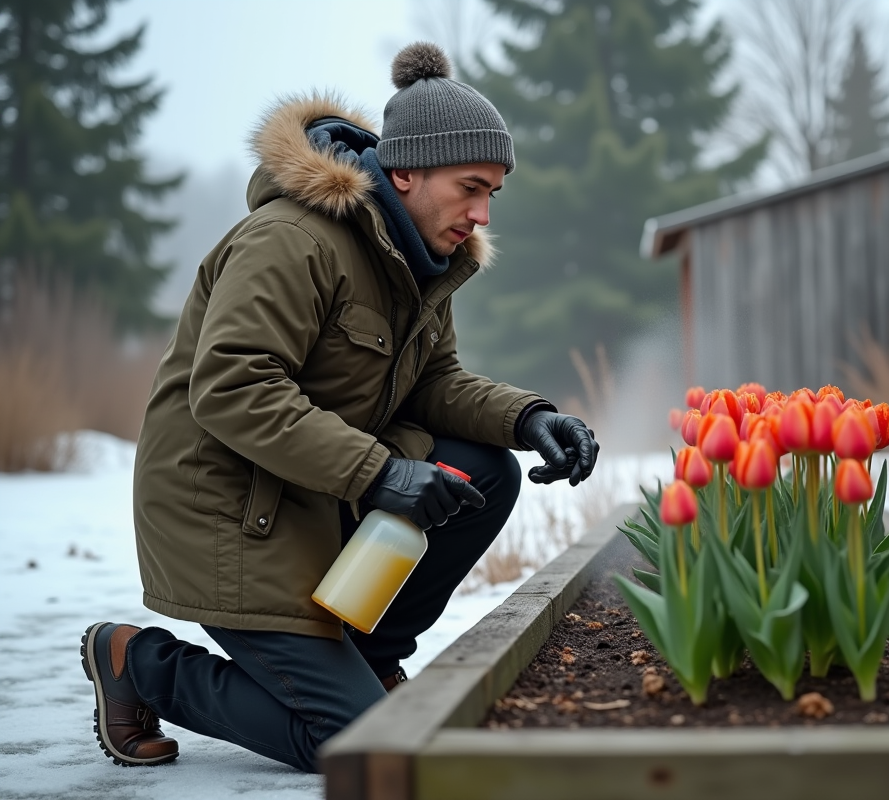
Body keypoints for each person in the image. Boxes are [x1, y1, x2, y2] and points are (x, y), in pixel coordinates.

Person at [79, 42, 599, 774]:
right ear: (406, 171)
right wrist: (380, 473)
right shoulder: (292, 240)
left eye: (494, 194)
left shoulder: (420, 259)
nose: (482, 212)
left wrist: (529, 419)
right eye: (471, 186)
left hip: (316, 496)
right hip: (233, 517)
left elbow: (433, 383)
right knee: (358, 746)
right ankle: (142, 665)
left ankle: (370, 662)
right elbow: (232, 386)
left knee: (483, 471)